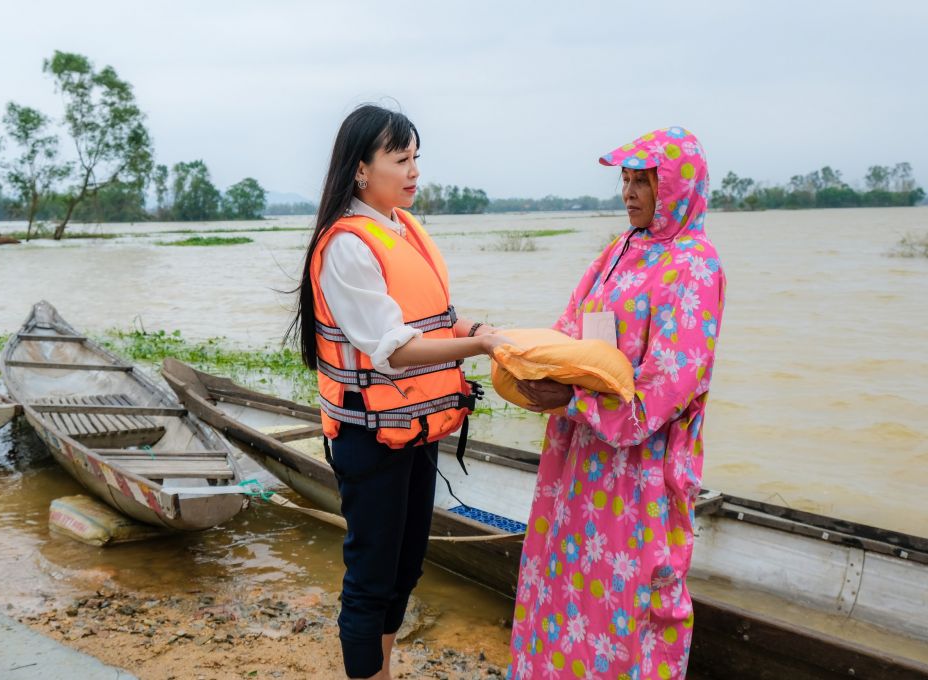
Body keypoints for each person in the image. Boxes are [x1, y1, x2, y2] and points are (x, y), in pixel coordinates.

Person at [286, 104, 510, 680]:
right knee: (369, 578)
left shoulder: (403, 227)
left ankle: (383, 670)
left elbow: (433, 323)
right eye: (400, 158)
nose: (414, 171)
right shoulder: (346, 246)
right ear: (360, 170)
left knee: (406, 568)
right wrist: (479, 350)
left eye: (416, 158)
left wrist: (476, 331)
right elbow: (395, 347)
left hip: (417, 428)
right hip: (372, 436)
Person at [507, 127, 725, 680]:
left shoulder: (695, 265)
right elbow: (569, 330)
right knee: (567, 584)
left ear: (676, 188)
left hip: (639, 473)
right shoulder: (617, 251)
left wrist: (575, 401)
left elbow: (667, 389)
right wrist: (530, 366)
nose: (628, 193)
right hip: (579, 462)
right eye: (625, 181)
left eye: (643, 182)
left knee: (634, 603)